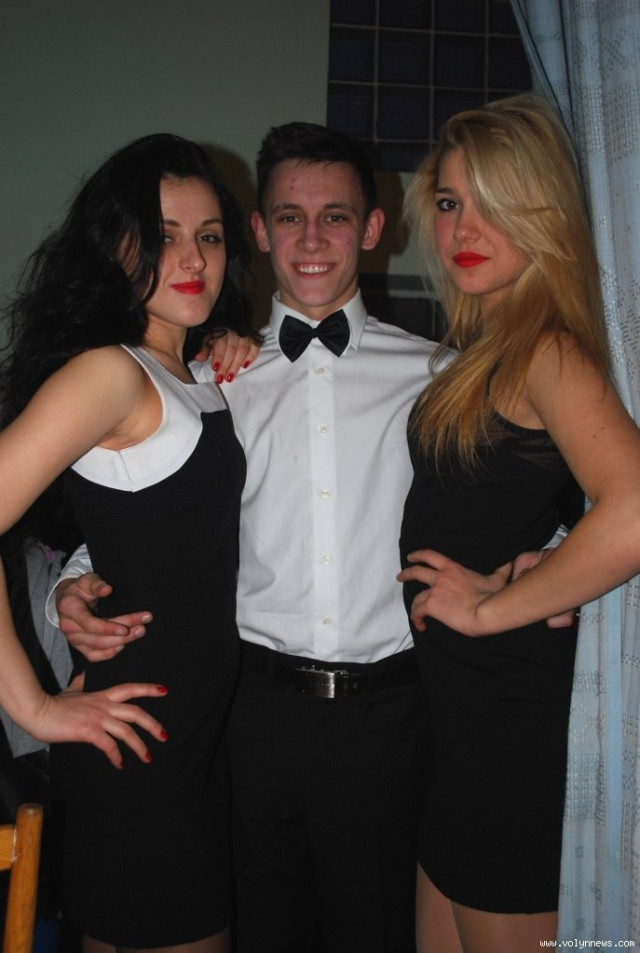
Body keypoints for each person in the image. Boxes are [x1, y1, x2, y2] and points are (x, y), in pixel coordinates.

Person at [53, 122, 568, 953]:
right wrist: (71, 582)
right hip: (248, 716)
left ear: (373, 228)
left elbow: (519, 497)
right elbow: (149, 515)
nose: (313, 238)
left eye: (337, 216)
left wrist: (553, 551)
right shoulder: (211, 378)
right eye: (290, 217)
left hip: (396, 716)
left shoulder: (440, 376)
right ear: (258, 232)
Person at [0, 133, 256, 953]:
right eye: (162, 235)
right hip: (140, 747)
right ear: (115, 247)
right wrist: (34, 706)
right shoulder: (110, 372)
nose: (193, 258)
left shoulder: (190, 373)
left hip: (193, 743)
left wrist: (231, 347)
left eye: (208, 235)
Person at [397, 94, 640, 953]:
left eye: (496, 203)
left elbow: (634, 509)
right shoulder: (492, 345)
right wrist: (543, 558)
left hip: (508, 727)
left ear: (544, 214)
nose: (465, 227)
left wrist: (491, 607)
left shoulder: (546, 347)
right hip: (461, 726)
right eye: (451, 200)